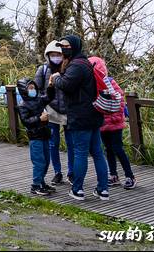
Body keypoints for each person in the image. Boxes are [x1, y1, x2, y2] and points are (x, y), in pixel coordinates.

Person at [50, 35, 110, 201]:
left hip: (80, 116)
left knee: (81, 153)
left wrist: (56, 78)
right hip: (93, 114)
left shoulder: (76, 65)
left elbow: (67, 85)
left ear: (74, 46)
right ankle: (103, 189)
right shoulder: (85, 63)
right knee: (97, 152)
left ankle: (77, 189)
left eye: (66, 46)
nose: (63, 49)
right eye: (61, 46)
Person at [90, 56, 135, 189]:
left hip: (114, 124)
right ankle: (113, 175)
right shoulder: (93, 85)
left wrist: (114, 117)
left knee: (117, 149)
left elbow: (119, 100)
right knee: (108, 149)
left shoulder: (109, 82)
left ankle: (130, 175)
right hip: (103, 125)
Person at [35, 40, 72, 185]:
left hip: (68, 111)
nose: (56, 57)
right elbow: (37, 90)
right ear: (48, 55)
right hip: (50, 110)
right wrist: (41, 108)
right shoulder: (43, 70)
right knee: (53, 143)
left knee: (71, 143)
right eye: (53, 54)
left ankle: (71, 172)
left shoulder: (69, 68)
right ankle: (57, 172)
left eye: (59, 54)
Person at [16, 76, 58, 195]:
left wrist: (50, 86)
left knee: (46, 160)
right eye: (30, 88)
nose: (32, 90)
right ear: (24, 90)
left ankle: (41, 182)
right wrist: (39, 118)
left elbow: (49, 97)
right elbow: (26, 121)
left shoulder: (39, 100)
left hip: (44, 134)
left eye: (33, 87)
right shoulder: (23, 105)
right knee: (39, 162)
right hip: (35, 137)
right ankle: (35, 185)